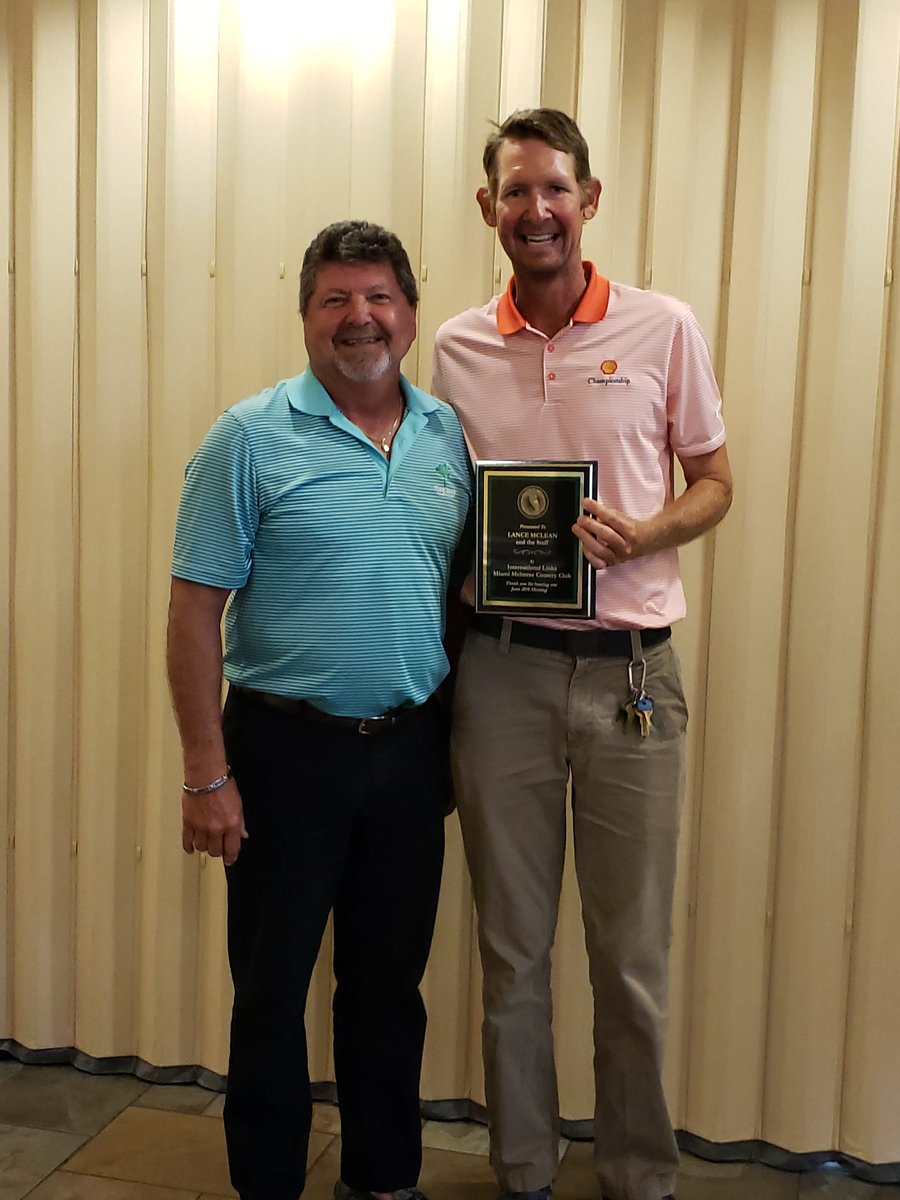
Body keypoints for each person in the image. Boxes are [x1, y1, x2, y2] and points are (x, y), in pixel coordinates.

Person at [431, 109, 733, 1200]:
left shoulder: (663, 328)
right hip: (502, 672)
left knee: (631, 960)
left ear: (589, 201)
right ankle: (522, 1170)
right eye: (515, 192)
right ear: (489, 210)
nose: (536, 209)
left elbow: (715, 479)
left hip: (633, 679)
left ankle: (640, 1177)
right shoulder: (456, 346)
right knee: (512, 954)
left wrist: (648, 533)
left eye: (555, 189)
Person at [167, 220, 472, 1200]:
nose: (360, 317)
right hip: (282, 753)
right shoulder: (248, 436)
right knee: (269, 993)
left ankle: (384, 1179)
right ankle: (268, 1184)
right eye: (336, 299)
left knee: (388, 989)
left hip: (409, 751)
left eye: (380, 297)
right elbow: (192, 612)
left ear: (412, 316)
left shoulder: (446, 437)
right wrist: (207, 775)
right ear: (306, 318)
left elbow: (459, 592)